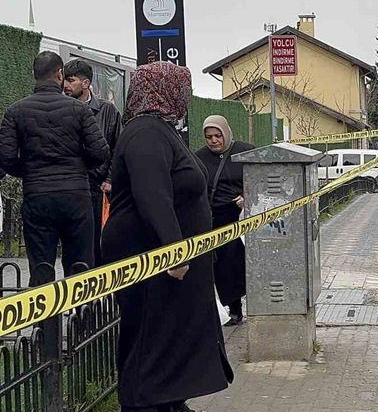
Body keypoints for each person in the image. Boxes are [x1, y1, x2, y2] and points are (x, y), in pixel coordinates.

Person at [101, 62, 232, 412]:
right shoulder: (146, 132)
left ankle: (169, 401)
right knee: (149, 335)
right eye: (182, 91)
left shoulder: (162, 129)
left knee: (170, 334)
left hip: (165, 259)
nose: (185, 98)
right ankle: (143, 404)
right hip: (149, 257)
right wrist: (174, 250)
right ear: (165, 91)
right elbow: (151, 192)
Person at [0, 51, 108, 285]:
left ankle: (46, 321)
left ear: (34, 75)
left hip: (37, 197)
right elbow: (101, 152)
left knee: (41, 267)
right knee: (80, 266)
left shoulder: (15, 112)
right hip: (76, 197)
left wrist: (29, 170)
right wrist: (79, 167)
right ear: (60, 74)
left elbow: (6, 158)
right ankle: (83, 317)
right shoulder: (79, 110)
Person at [195, 115, 254, 326]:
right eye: (208, 137)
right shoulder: (199, 157)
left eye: (218, 135)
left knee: (233, 260)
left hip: (235, 215)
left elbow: (258, 178)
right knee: (216, 264)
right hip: (210, 215)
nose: (213, 141)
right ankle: (227, 307)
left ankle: (238, 307)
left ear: (226, 133)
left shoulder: (245, 151)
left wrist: (248, 196)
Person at [63, 59, 122, 266]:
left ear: (86, 83)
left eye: (71, 80)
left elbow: (117, 147)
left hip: (96, 186)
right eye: (64, 80)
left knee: (96, 241)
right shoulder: (60, 109)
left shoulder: (108, 111)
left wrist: (109, 178)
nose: (66, 86)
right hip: (69, 184)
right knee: (72, 242)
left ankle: (96, 293)